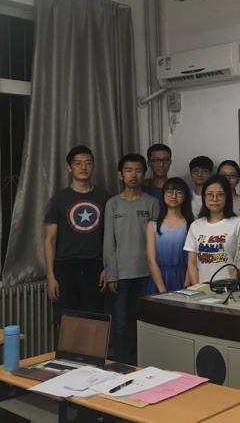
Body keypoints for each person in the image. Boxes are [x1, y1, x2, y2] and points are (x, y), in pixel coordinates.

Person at [44, 145, 109, 328]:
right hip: (65, 267)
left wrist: (108, 268)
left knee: (94, 323)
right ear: (69, 167)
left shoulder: (104, 197)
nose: (83, 167)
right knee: (66, 323)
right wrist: (50, 276)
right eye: (78, 163)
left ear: (93, 166)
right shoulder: (58, 199)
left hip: (95, 267)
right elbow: (49, 240)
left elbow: (111, 237)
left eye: (88, 163)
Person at [103, 153, 159, 364]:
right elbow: (108, 241)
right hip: (121, 274)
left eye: (138, 170)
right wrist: (111, 273)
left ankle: (142, 364)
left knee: (143, 323)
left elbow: (157, 241)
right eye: (128, 170)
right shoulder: (112, 204)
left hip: (147, 273)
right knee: (120, 324)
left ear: (144, 174)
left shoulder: (152, 202)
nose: (133, 175)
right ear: (120, 175)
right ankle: (122, 365)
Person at [184, 175, 240, 284]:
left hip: (230, 287)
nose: (215, 199)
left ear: (227, 197)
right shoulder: (195, 226)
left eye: (220, 194)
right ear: (204, 197)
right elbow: (192, 263)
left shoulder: (238, 223)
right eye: (210, 194)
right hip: (202, 288)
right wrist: (198, 288)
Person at [145, 177, 195, 294]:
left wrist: (186, 284)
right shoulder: (152, 225)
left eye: (179, 192)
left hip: (183, 278)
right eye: (169, 192)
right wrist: (162, 289)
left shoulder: (192, 224)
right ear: (163, 195)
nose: (174, 196)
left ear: (185, 196)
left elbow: (192, 260)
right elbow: (151, 260)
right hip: (158, 279)